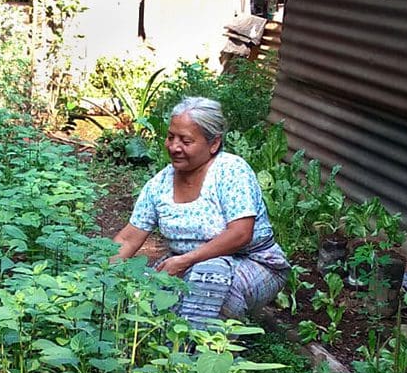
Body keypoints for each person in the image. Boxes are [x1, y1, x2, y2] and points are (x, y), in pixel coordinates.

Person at [111, 96, 290, 330]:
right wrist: (99, 274)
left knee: (209, 276)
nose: (174, 147)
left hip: (253, 263)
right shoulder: (159, 185)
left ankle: (200, 354)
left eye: (186, 140)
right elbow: (127, 238)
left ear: (213, 144)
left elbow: (240, 234)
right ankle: (171, 348)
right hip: (186, 265)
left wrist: (185, 261)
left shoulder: (230, 171)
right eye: (170, 137)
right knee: (147, 294)